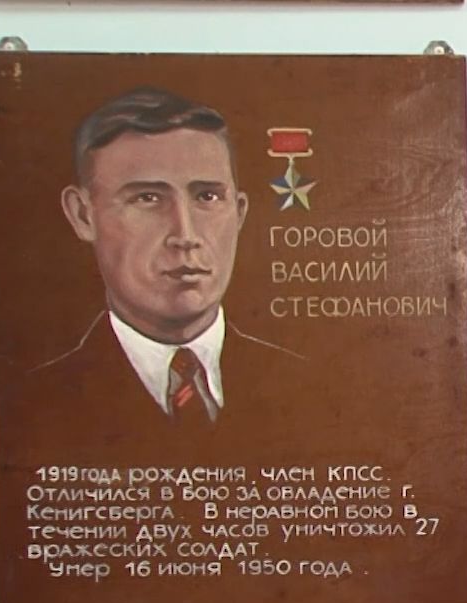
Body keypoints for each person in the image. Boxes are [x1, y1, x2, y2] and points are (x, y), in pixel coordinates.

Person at [36, 86, 300, 436]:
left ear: (239, 212)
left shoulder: (308, 385)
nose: (185, 235)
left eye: (207, 196)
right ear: (84, 215)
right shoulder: (38, 400)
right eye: (148, 198)